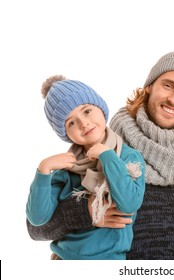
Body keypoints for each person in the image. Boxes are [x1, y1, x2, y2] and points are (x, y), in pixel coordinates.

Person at [26, 45, 174, 259]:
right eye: (167, 85)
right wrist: (87, 213)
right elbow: (35, 229)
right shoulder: (107, 143)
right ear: (149, 87)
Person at [26, 75, 145, 260]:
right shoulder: (67, 168)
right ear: (66, 134)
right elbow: (37, 220)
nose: (83, 123)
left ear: (101, 108)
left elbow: (129, 203)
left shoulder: (128, 158)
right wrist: (43, 169)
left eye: (87, 111)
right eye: (71, 122)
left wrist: (107, 156)